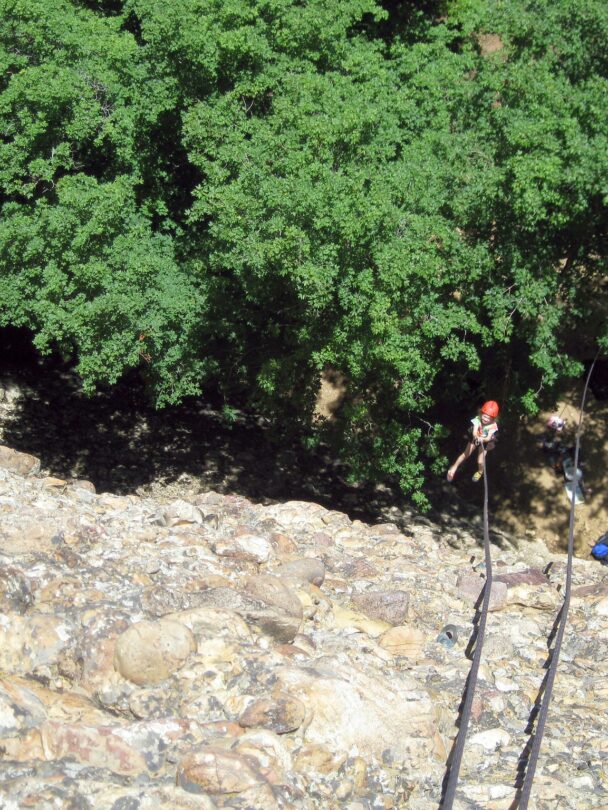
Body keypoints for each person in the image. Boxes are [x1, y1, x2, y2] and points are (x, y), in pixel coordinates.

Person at [447, 400, 500, 482]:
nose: (485, 419)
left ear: (493, 419)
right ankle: (454, 468)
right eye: (484, 416)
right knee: (465, 454)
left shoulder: (493, 425)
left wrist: (482, 439)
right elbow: (474, 432)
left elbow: (488, 438)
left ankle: (480, 471)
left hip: (485, 442)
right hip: (476, 438)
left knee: (480, 461)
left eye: (488, 418)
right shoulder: (477, 420)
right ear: (481, 413)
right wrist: (476, 437)